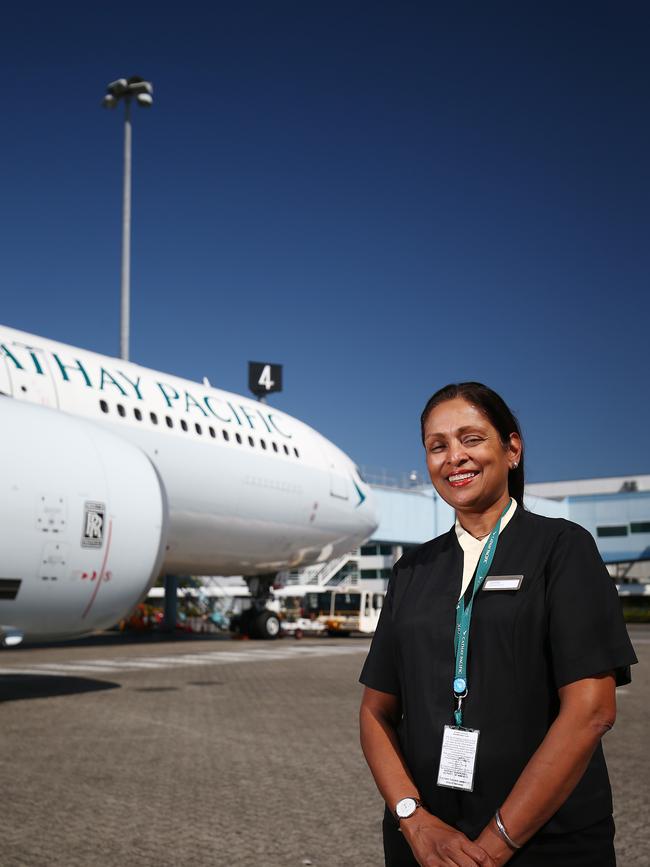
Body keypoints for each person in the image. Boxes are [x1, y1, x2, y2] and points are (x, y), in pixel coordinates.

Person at [359, 382, 637, 867]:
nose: (454, 458)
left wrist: (495, 845)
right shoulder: (411, 570)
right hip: (427, 845)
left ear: (511, 449)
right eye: (437, 446)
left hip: (544, 842)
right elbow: (375, 712)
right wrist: (414, 821)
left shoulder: (562, 549)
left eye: (471, 439)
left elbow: (592, 710)